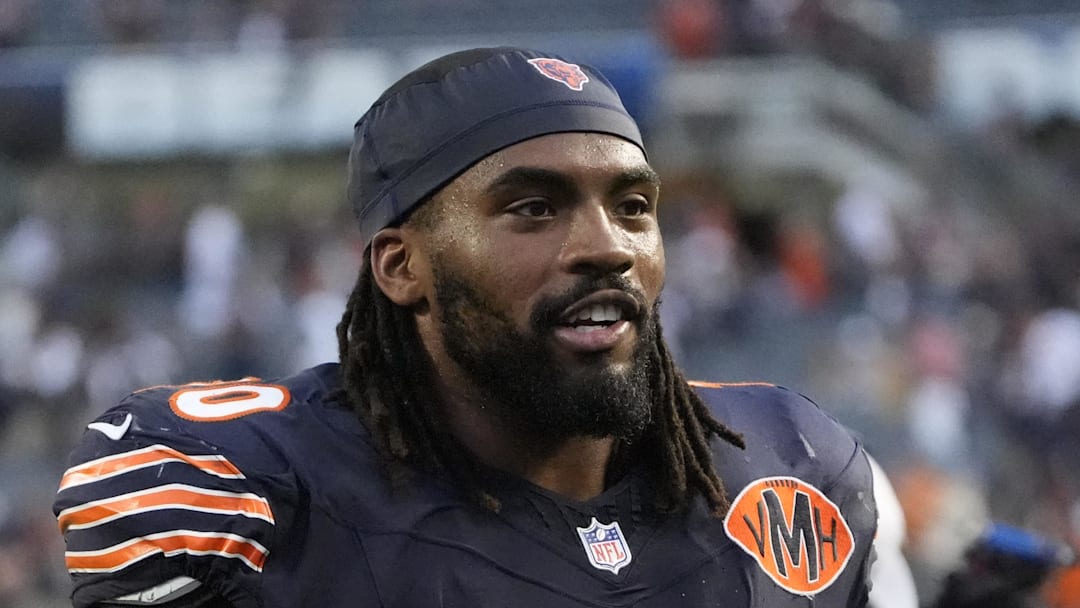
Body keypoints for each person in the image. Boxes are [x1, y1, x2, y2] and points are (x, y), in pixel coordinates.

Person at [53, 47, 878, 607]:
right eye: (534, 209)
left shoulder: (790, 467)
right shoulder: (250, 492)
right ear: (401, 267)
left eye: (633, 206)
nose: (607, 247)